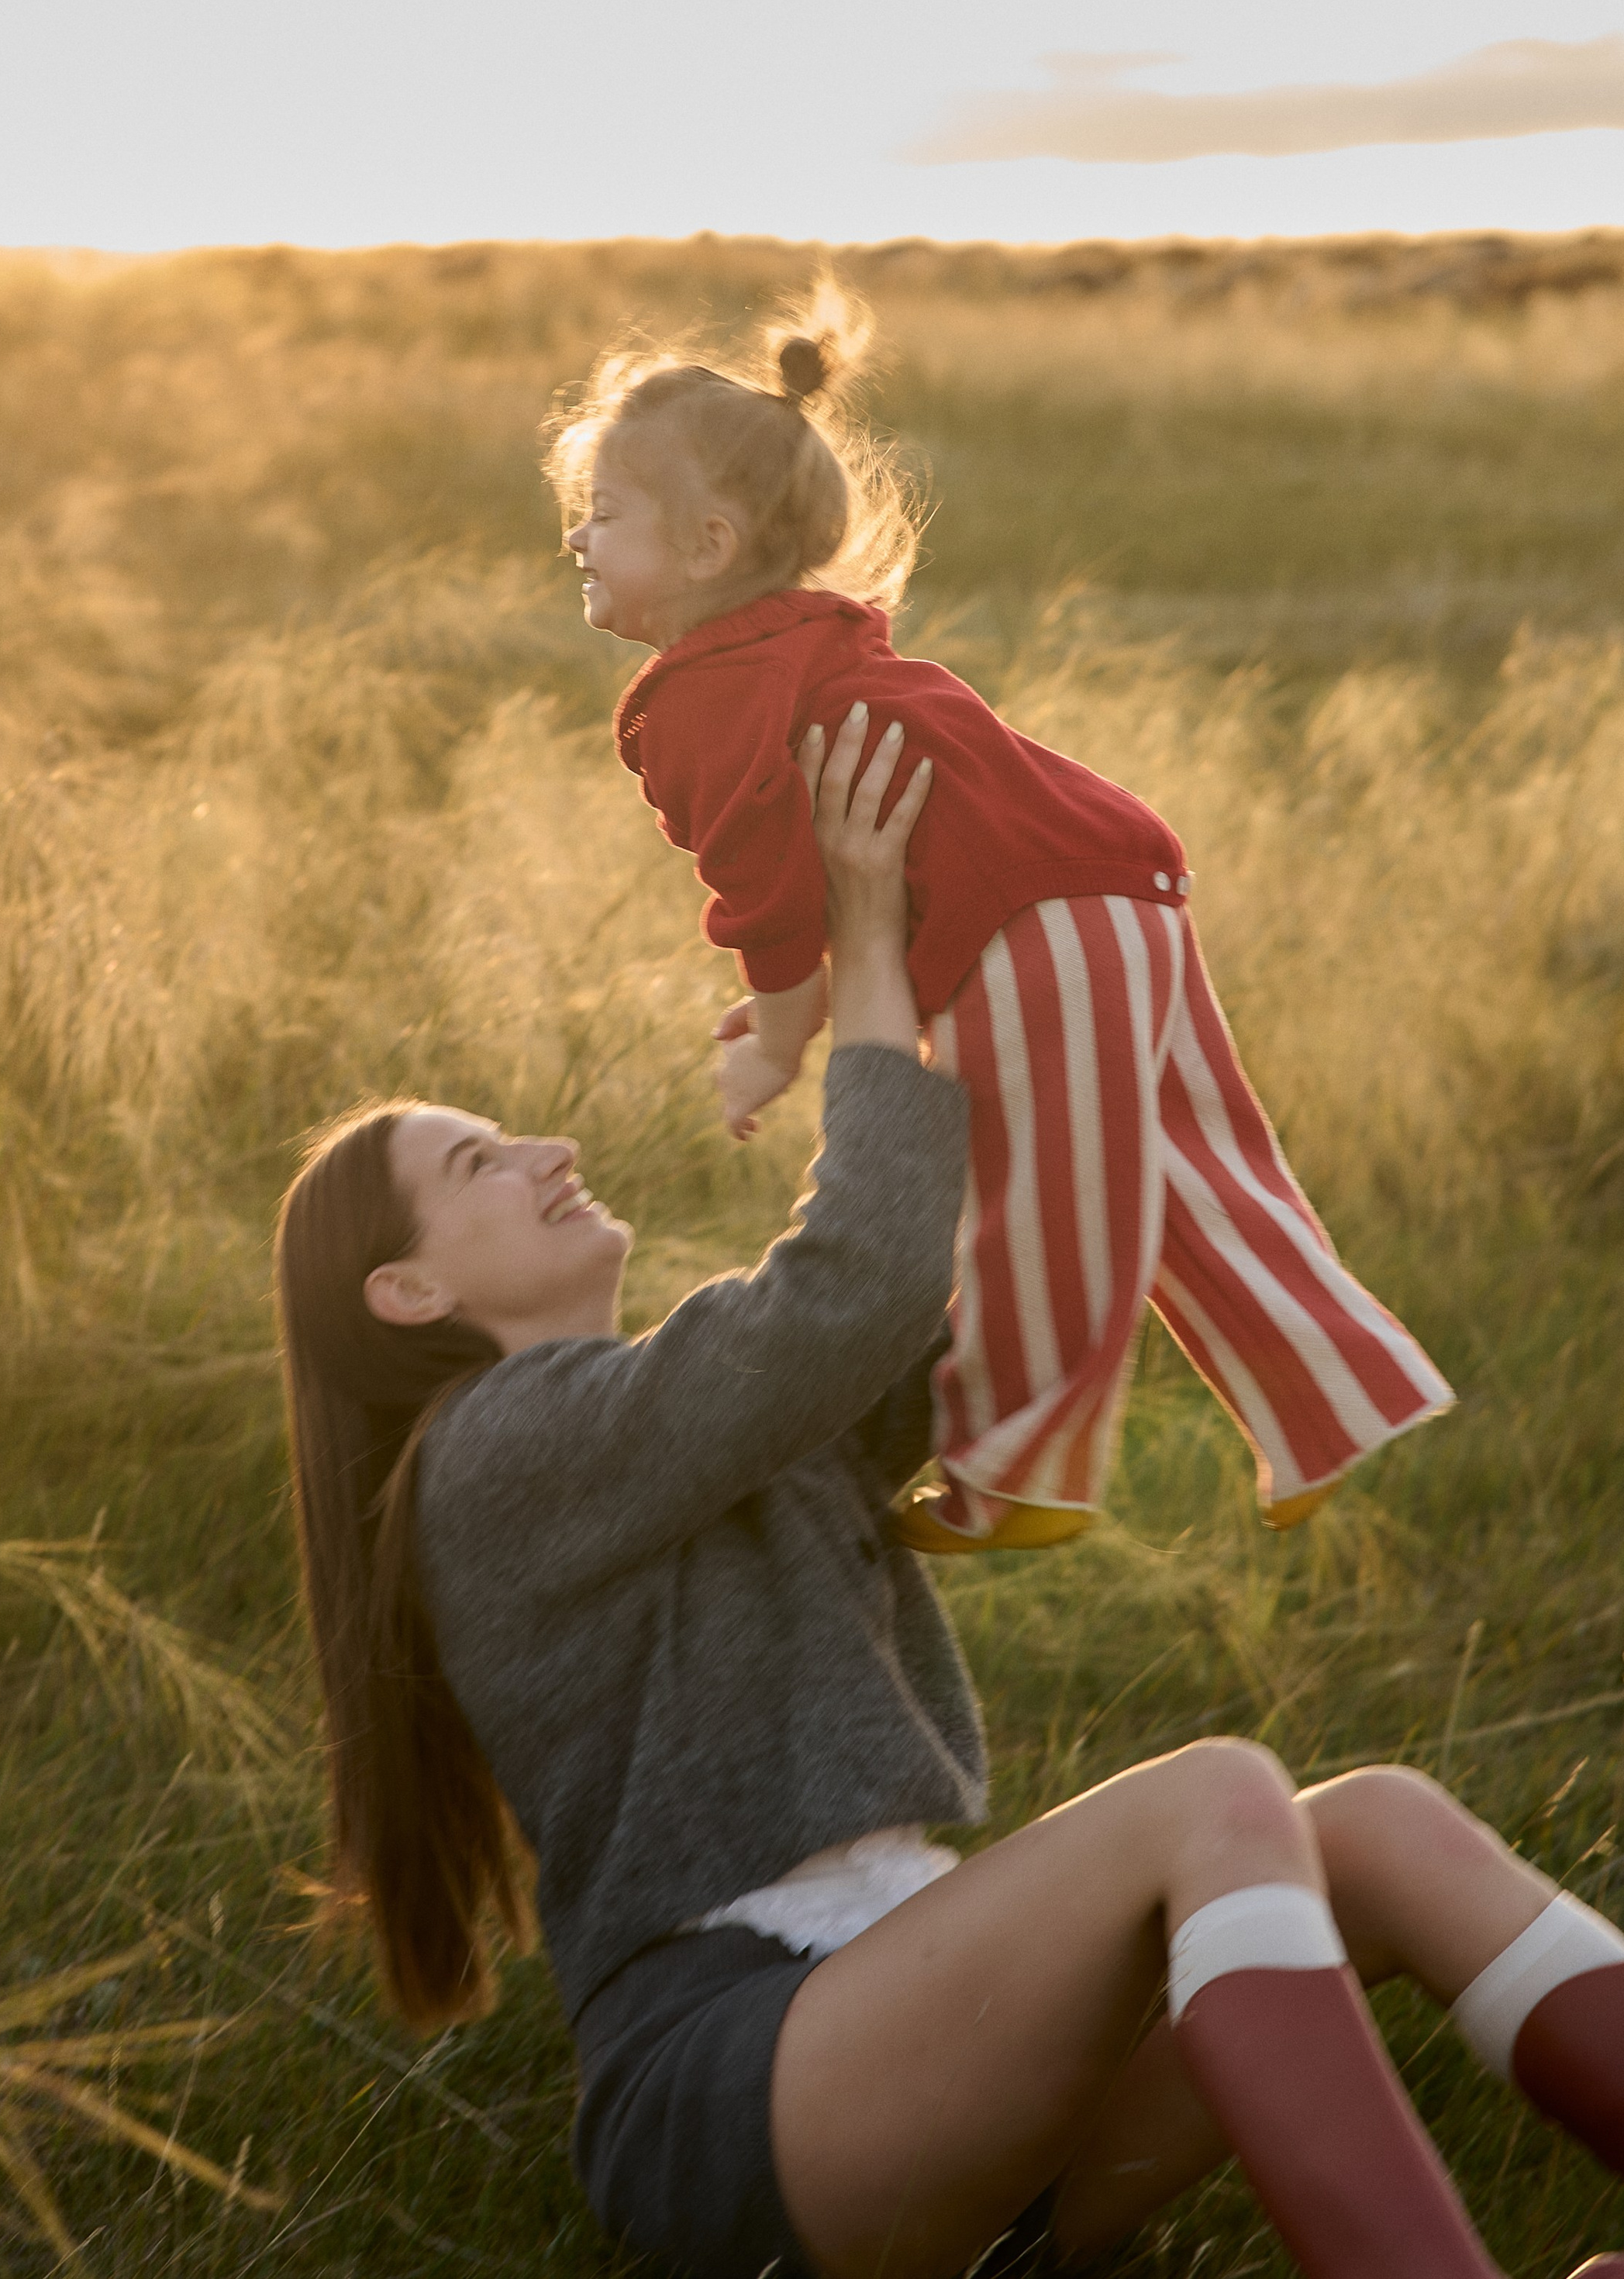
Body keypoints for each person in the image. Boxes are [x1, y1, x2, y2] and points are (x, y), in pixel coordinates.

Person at [278, 711, 1624, 2279]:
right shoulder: (489, 1452)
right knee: (1211, 1796)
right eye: (478, 1165)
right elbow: (852, 1287)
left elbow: (978, 1300)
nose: (546, 1147)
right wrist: (853, 940)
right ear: (405, 1291)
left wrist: (1007, 966)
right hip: (735, 2087)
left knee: (1380, 1828)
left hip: (918, 2051)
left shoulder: (674, 1423)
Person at [544, 284, 1453, 1554]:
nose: (576, 535)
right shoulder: (806, 640)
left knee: (1034, 1191)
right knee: (1186, 1166)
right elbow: (840, 871)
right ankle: (1336, 1401)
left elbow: (768, 888)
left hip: (1026, 931)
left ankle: (1020, 1470)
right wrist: (805, 990)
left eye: (602, 512)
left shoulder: (697, 695)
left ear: (706, 545)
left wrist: (778, 1039)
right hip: (1113, 887)